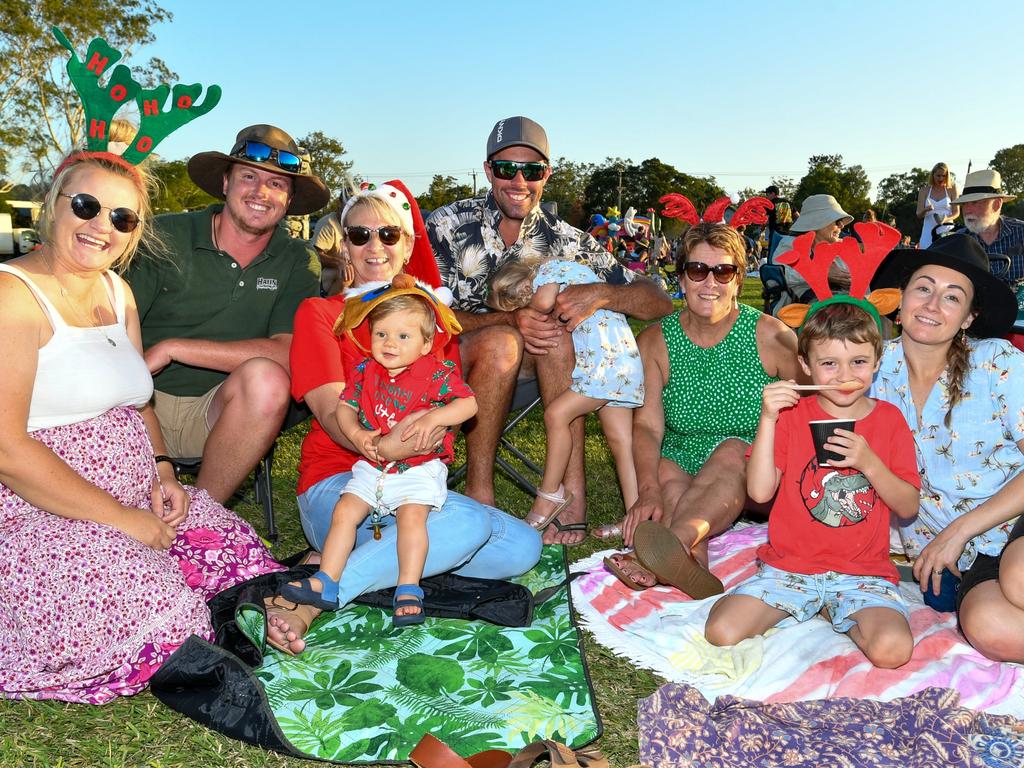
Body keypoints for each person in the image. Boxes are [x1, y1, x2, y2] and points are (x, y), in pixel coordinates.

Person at [0, 151, 291, 703]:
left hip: (133, 493)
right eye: (86, 206)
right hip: (40, 506)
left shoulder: (116, 291)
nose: (101, 226)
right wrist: (122, 520)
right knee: (150, 601)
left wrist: (163, 475)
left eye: (122, 218)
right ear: (51, 206)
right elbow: (6, 449)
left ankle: (234, 617)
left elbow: (140, 401)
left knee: (233, 550)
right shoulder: (13, 296)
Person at [269, 180, 541, 652]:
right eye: (360, 235)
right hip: (341, 483)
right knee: (471, 527)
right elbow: (334, 412)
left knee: (523, 548)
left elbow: (443, 409)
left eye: (389, 235)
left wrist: (431, 430)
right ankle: (318, 598)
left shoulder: (431, 322)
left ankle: (344, 566)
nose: (375, 246)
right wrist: (382, 445)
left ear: (408, 243)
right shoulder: (320, 313)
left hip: (412, 483)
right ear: (345, 247)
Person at [427, 116, 673, 544]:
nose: (518, 181)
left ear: (547, 174)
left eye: (532, 170)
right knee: (505, 340)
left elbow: (658, 299)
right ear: (488, 170)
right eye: (506, 169)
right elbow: (420, 311)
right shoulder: (448, 225)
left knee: (555, 334)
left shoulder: (567, 240)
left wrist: (601, 293)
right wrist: (507, 320)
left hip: (537, 370)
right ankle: (480, 492)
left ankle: (569, 498)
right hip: (454, 359)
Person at [704, 301, 920, 669]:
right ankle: (809, 604)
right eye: (829, 363)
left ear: (877, 361)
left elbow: (908, 506)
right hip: (791, 569)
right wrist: (768, 417)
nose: (843, 375)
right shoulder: (791, 415)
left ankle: (836, 613)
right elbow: (758, 492)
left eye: (858, 362)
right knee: (721, 632)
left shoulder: (889, 420)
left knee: (893, 652)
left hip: (861, 574)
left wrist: (868, 462)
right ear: (806, 366)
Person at [125, 124, 327, 504]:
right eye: (249, 176)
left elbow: (289, 352)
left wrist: (175, 348)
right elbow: (114, 327)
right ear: (225, 182)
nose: (261, 192)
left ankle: (204, 516)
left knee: (268, 380)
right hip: (137, 402)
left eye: (277, 184)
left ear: (288, 200)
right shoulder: (164, 236)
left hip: (220, 412)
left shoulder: (298, 259)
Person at [603, 224, 801, 592]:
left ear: (739, 280)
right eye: (697, 270)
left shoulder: (772, 337)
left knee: (731, 449)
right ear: (681, 279)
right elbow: (647, 427)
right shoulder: (656, 340)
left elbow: (806, 413)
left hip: (756, 469)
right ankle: (692, 561)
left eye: (723, 271)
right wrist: (647, 489)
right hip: (685, 457)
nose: (709, 282)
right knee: (661, 467)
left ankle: (668, 545)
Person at [282, 279, 476, 627]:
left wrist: (435, 417)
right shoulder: (366, 371)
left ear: (426, 343)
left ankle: (408, 587)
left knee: (411, 520)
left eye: (403, 336)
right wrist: (357, 434)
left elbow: (468, 404)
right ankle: (325, 579)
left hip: (416, 469)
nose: (390, 344)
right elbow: (344, 407)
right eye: (381, 334)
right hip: (372, 466)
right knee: (345, 510)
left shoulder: (434, 374)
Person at [871, 233, 1024, 662]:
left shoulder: (997, 362)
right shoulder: (868, 368)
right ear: (899, 300)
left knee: (1019, 577)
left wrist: (958, 531)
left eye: (952, 297)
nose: (933, 305)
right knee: (988, 627)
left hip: (1011, 515)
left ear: (969, 318)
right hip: (960, 558)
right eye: (923, 288)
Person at [486, 258, 643, 530]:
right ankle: (636, 520)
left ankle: (550, 493)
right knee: (622, 446)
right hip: (624, 364)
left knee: (556, 415)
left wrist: (529, 311)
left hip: (603, 366)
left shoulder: (550, 271)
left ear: (524, 284)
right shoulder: (576, 274)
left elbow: (544, 303)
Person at [773, 195, 854, 309]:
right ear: (818, 222)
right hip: (803, 310)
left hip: (846, 304)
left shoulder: (843, 247)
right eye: (837, 221)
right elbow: (777, 277)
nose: (841, 226)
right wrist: (821, 273)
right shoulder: (790, 244)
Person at [951, 169, 1024, 283]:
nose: (967, 210)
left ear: (996, 204)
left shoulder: (1021, 232)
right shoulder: (958, 241)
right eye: (964, 203)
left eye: (975, 202)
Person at [312, 194, 352, 295]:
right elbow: (314, 254)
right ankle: (330, 306)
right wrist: (339, 263)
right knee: (343, 273)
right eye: (347, 204)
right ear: (340, 203)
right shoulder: (329, 223)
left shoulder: (357, 223)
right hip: (325, 279)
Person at [916, 162, 959, 250]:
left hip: (947, 231)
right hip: (928, 232)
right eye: (938, 175)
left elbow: (956, 212)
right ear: (933, 175)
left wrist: (945, 219)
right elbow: (918, 214)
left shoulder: (952, 189)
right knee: (927, 257)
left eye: (943, 176)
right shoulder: (924, 191)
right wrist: (925, 210)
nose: (941, 178)